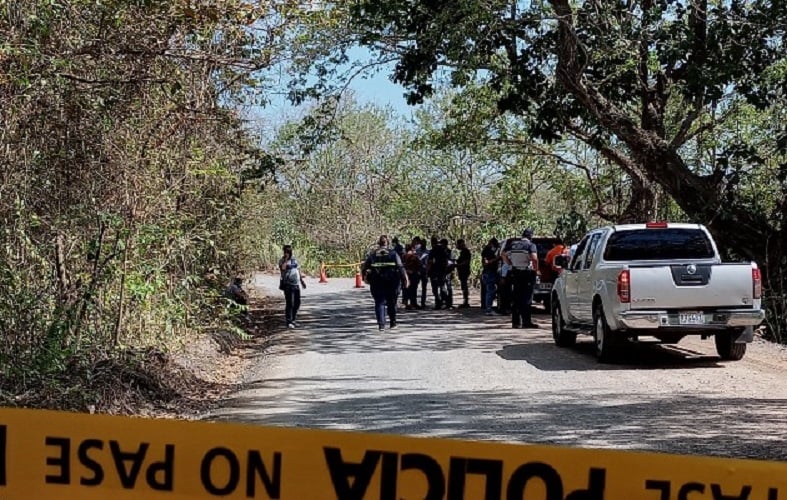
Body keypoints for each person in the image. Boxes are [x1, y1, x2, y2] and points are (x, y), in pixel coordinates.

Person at [362, 235, 409, 331]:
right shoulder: (393, 253)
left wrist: (365, 278)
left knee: (379, 303)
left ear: (379, 243)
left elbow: (365, 267)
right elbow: (400, 266)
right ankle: (393, 323)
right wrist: (405, 278)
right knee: (392, 302)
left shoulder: (373, 254)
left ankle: (381, 325)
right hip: (392, 282)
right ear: (388, 243)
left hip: (377, 282)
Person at [501, 229, 539, 329]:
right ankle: (526, 322)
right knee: (526, 298)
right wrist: (536, 269)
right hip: (527, 273)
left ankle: (516, 322)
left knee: (516, 298)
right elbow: (534, 258)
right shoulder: (530, 245)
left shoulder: (513, 244)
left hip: (515, 272)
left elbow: (503, 254)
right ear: (531, 236)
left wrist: (509, 263)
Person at [279, 244, 306, 329]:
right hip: (287, 284)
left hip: (296, 283)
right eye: (286, 251)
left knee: (297, 303)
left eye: (289, 251)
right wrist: (286, 259)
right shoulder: (282, 260)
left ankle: (293, 319)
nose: (288, 253)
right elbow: (283, 268)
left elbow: (298, 270)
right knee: (290, 303)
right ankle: (289, 321)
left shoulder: (294, 260)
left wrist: (302, 281)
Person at [426, 236, 451, 309]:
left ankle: (439, 303)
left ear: (432, 243)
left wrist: (427, 272)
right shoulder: (442, 250)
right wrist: (445, 269)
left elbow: (430, 262)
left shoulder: (433, 251)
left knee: (435, 289)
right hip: (442, 271)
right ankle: (446, 302)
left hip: (434, 272)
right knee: (442, 287)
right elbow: (446, 260)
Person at [480, 238, 500, 315]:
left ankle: (487, 307)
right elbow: (486, 263)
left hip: (489, 272)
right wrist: (497, 258)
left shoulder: (487, 251)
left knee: (490, 290)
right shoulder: (487, 251)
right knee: (490, 291)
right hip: (489, 273)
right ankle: (488, 309)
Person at [403, 243, 422, 310]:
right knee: (413, 289)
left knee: (407, 289)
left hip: (406, 274)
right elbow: (419, 265)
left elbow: (401, 265)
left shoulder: (403, 256)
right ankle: (413, 303)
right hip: (413, 274)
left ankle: (407, 303)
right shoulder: (415, 257)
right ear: (412, 248)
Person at [455, 238, 472, 308]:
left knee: (464, 285)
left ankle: (466, 301)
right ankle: (465, 301)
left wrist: (458, 265)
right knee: (463, 285)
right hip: (462, 271)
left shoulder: (466, 252)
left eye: (458, 244)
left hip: (464, 271)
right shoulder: (462, 252)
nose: (457, 246)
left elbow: (466, 262)